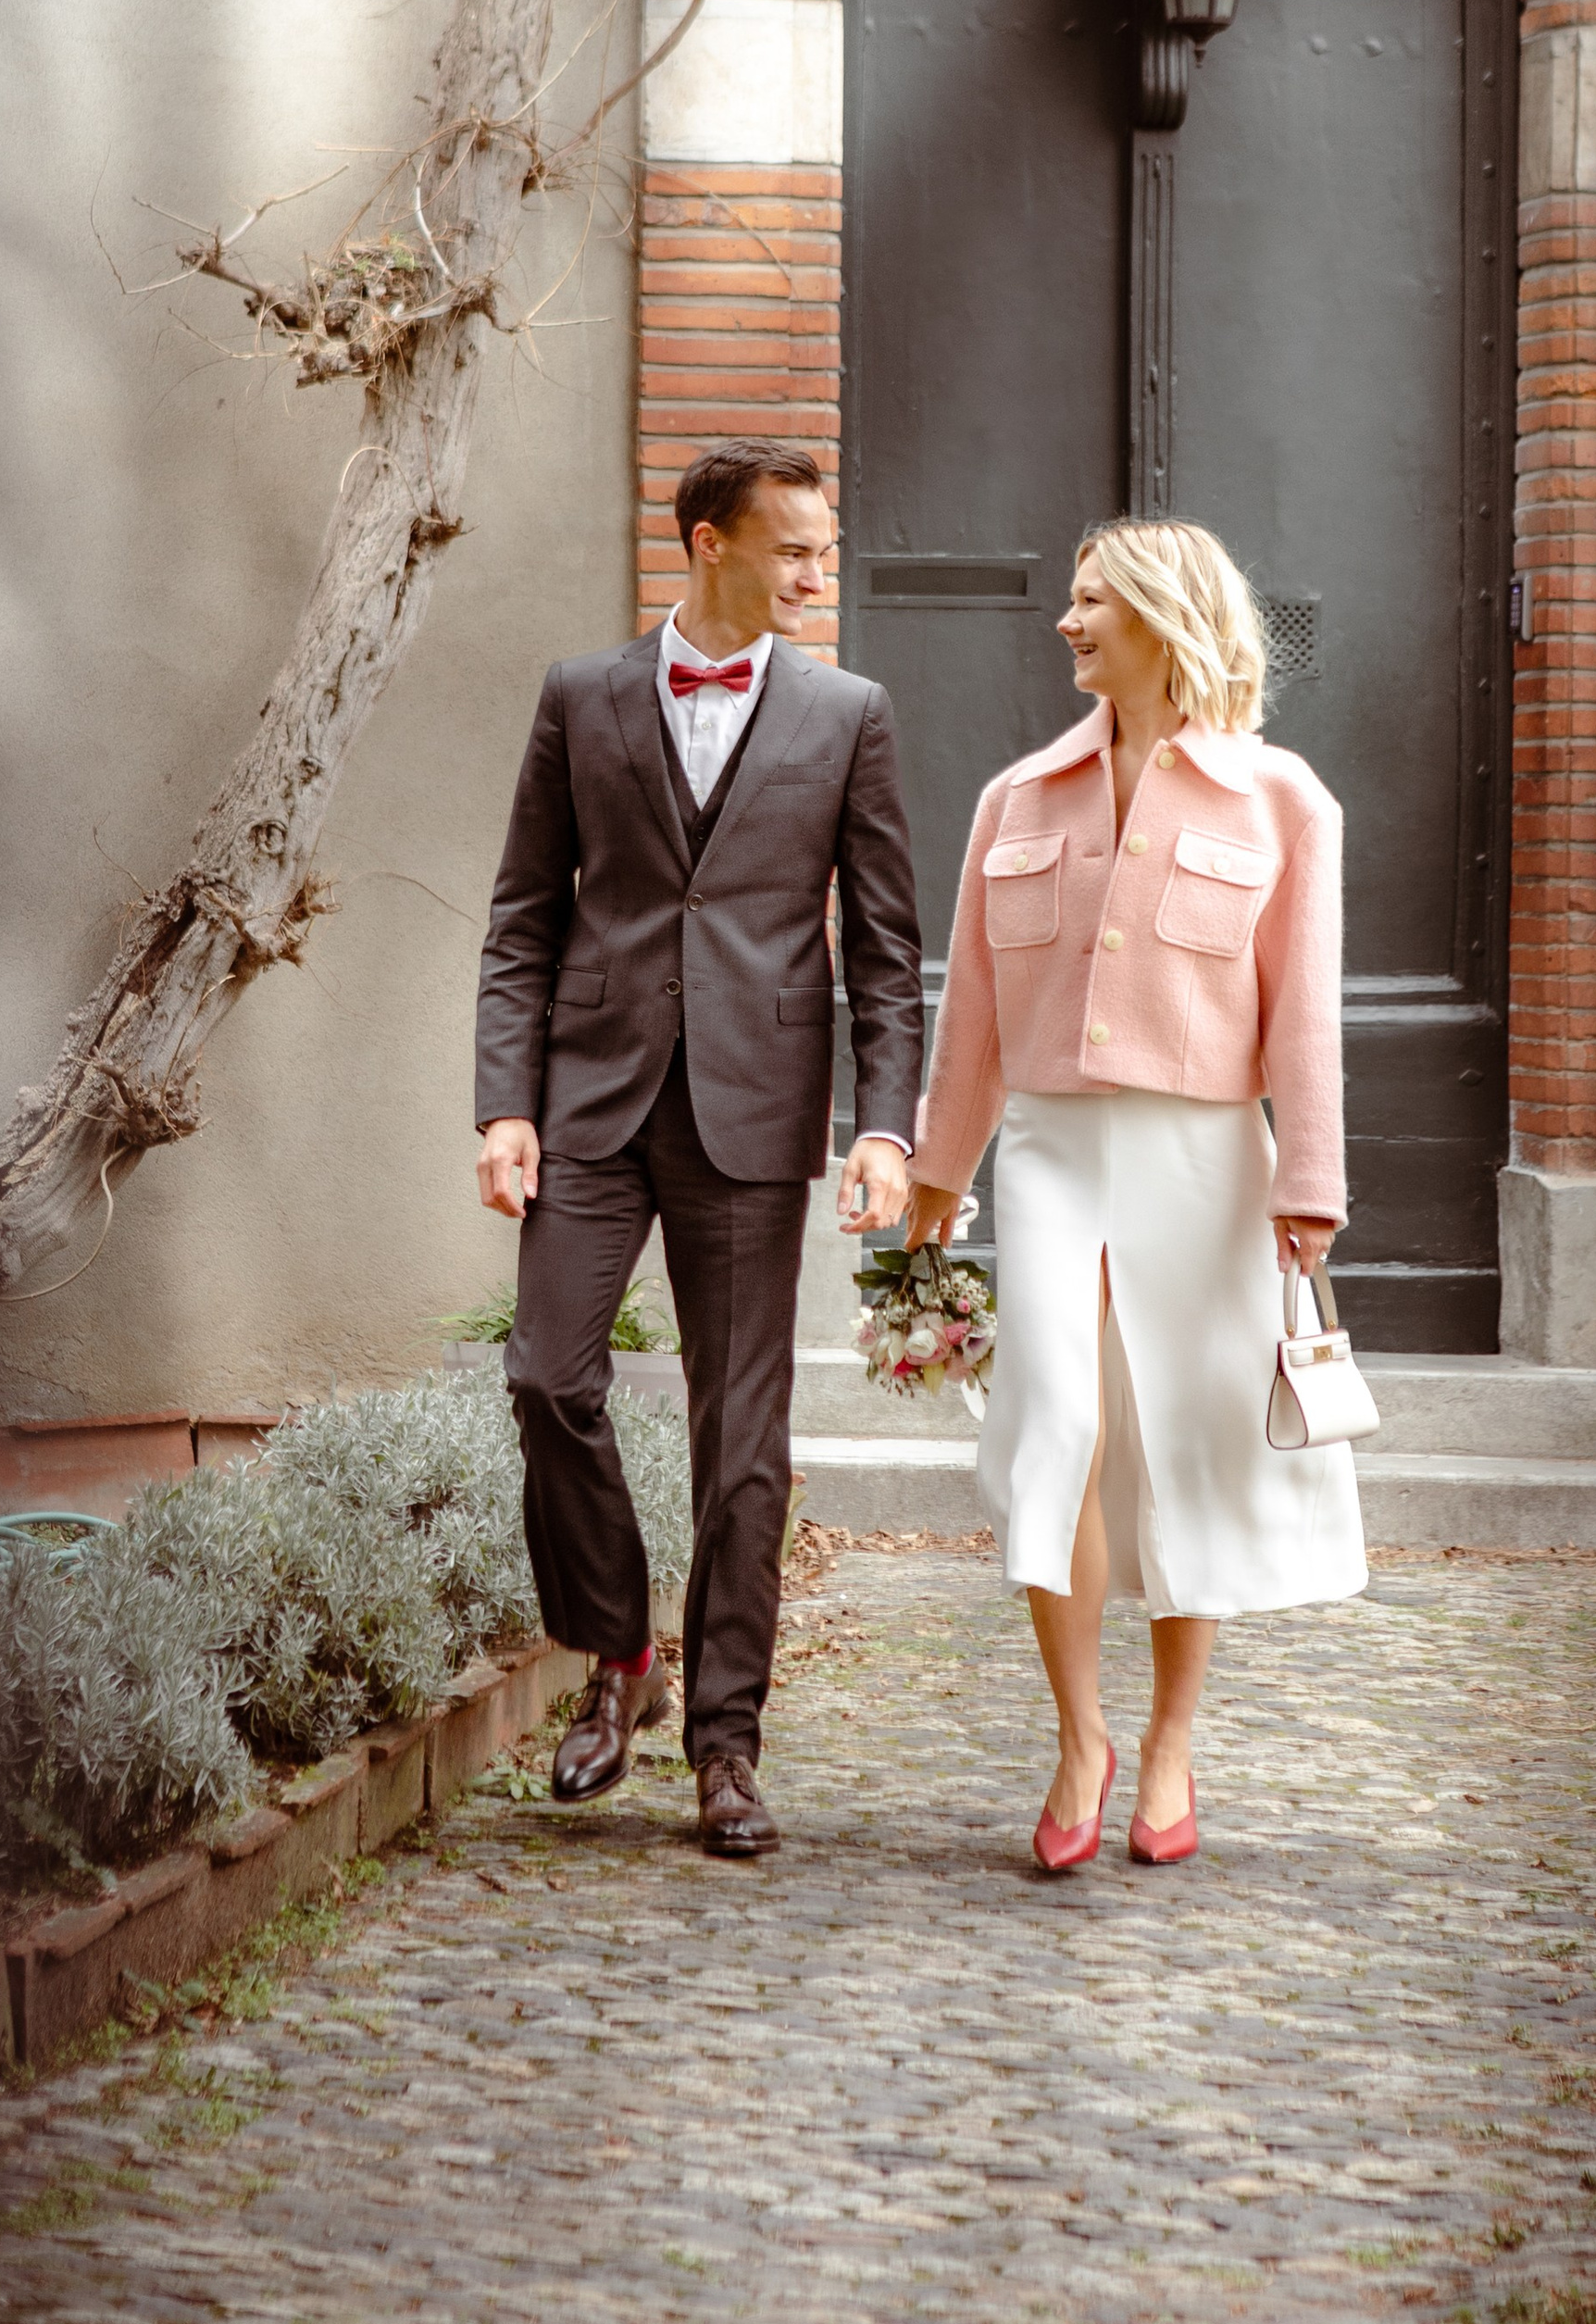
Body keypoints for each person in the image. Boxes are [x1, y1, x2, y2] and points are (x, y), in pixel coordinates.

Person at [474, 443, 921, 1858]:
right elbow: (523, 921)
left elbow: (888, 954)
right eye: (792, 549)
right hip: (594, 1105)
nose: (815, 572)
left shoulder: (850, 715)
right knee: (548, 1374)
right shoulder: (583, 696)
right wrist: (505, 1104)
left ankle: (727, 1745)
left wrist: (886, 1125)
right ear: (710, 542)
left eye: (823, 549)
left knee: (745, 1448)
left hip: (751, 1110)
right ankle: (618, 1656)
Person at [906, 517, 1365, 1873]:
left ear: (1165, 615)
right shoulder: (1016, 800)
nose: (1066, 621)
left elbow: (1306, 1016)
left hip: (1206, 1159)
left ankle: (1169, 1745)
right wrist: (942, 1168)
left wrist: (1311, 1180)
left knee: (1185, 1445)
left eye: (1091, 600)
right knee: (1058, 1424)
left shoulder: (1284, 801)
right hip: (1050, 1151)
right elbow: (973, 1010)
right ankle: (1078, 1739)